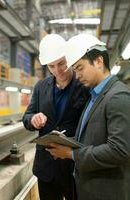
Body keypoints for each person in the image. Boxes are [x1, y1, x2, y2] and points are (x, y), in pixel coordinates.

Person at [46, 34, 130, 200]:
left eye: (80, 68)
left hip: (111, 192)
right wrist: (65, 141)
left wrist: (72, 154)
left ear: (98, 61)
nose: (77, 76)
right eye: (75, 70)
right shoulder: (95, 96)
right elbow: (93, 137)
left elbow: (120, 151)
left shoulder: (119, 97)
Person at [22, 34, 89, 200]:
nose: (58, 70)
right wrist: (33, 119)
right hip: (46, 168)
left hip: (74, 167)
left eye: (61, 63)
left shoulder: (84, 85)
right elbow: (26, 118)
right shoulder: (40, 87)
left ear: (69, 58)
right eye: (52, 66)